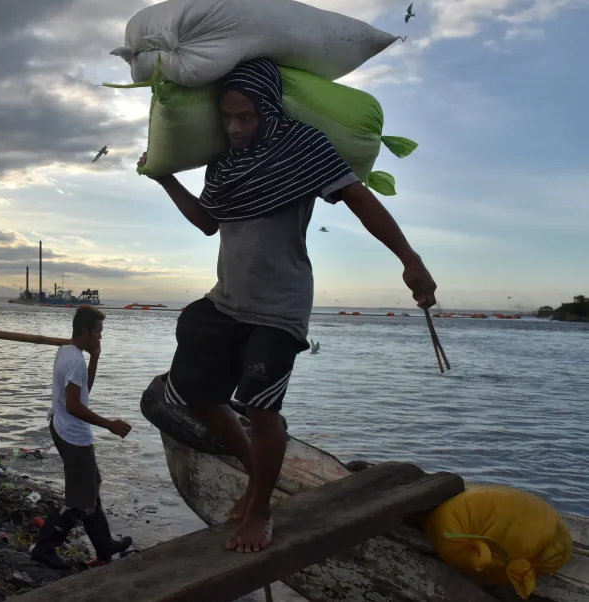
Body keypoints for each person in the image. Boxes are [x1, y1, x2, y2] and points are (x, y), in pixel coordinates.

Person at [140, 58, 438, 554]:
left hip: (279, 307)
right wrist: (164, 177)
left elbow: (360, 199)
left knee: (260, 408)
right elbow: (208, 222)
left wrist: (410, 260)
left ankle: (260, 507)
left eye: (246, 117)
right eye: (227, 117)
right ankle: (258, 476)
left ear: (269, 112)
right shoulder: (224, 162)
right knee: (194, 394)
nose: (234, 128)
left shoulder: (302, 147)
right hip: (227, 301)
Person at [31, 304, 134, 568]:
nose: (101, 336)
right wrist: (108, 424)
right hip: (73, 435)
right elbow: (74, 405)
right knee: (78, 501)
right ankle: (44, 548)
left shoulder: (67, 351)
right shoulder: (74, 359)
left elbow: (83, 390)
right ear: (84, 331)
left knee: (92, 486)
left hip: (61, 426)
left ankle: (104, 545)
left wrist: (96, 357)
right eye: (98, 332)